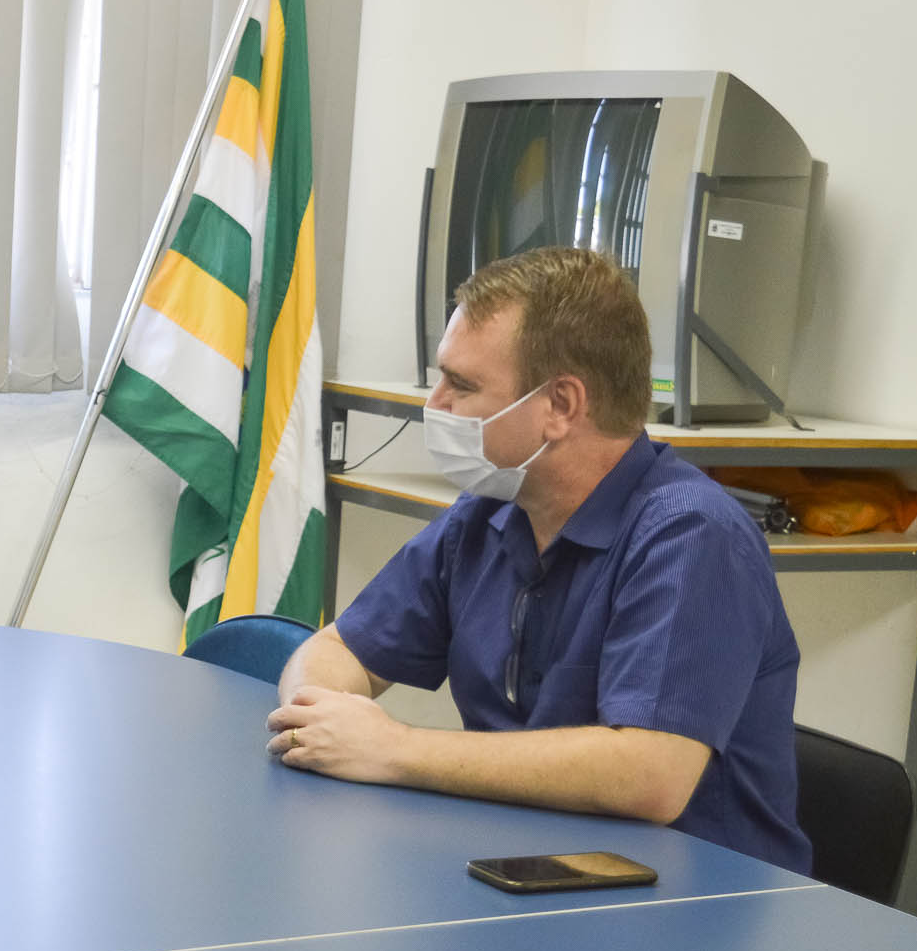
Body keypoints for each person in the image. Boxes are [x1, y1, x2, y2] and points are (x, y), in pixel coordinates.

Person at [267, 247, 811, 872]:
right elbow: (339, 650)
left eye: (462, 385)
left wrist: (394, 749)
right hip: (522, 866)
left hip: (688, 904)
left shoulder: (692, 532)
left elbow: (651, 775)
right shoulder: (489, 512)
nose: (435, 405)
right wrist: (320, 716)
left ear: (560, 405)